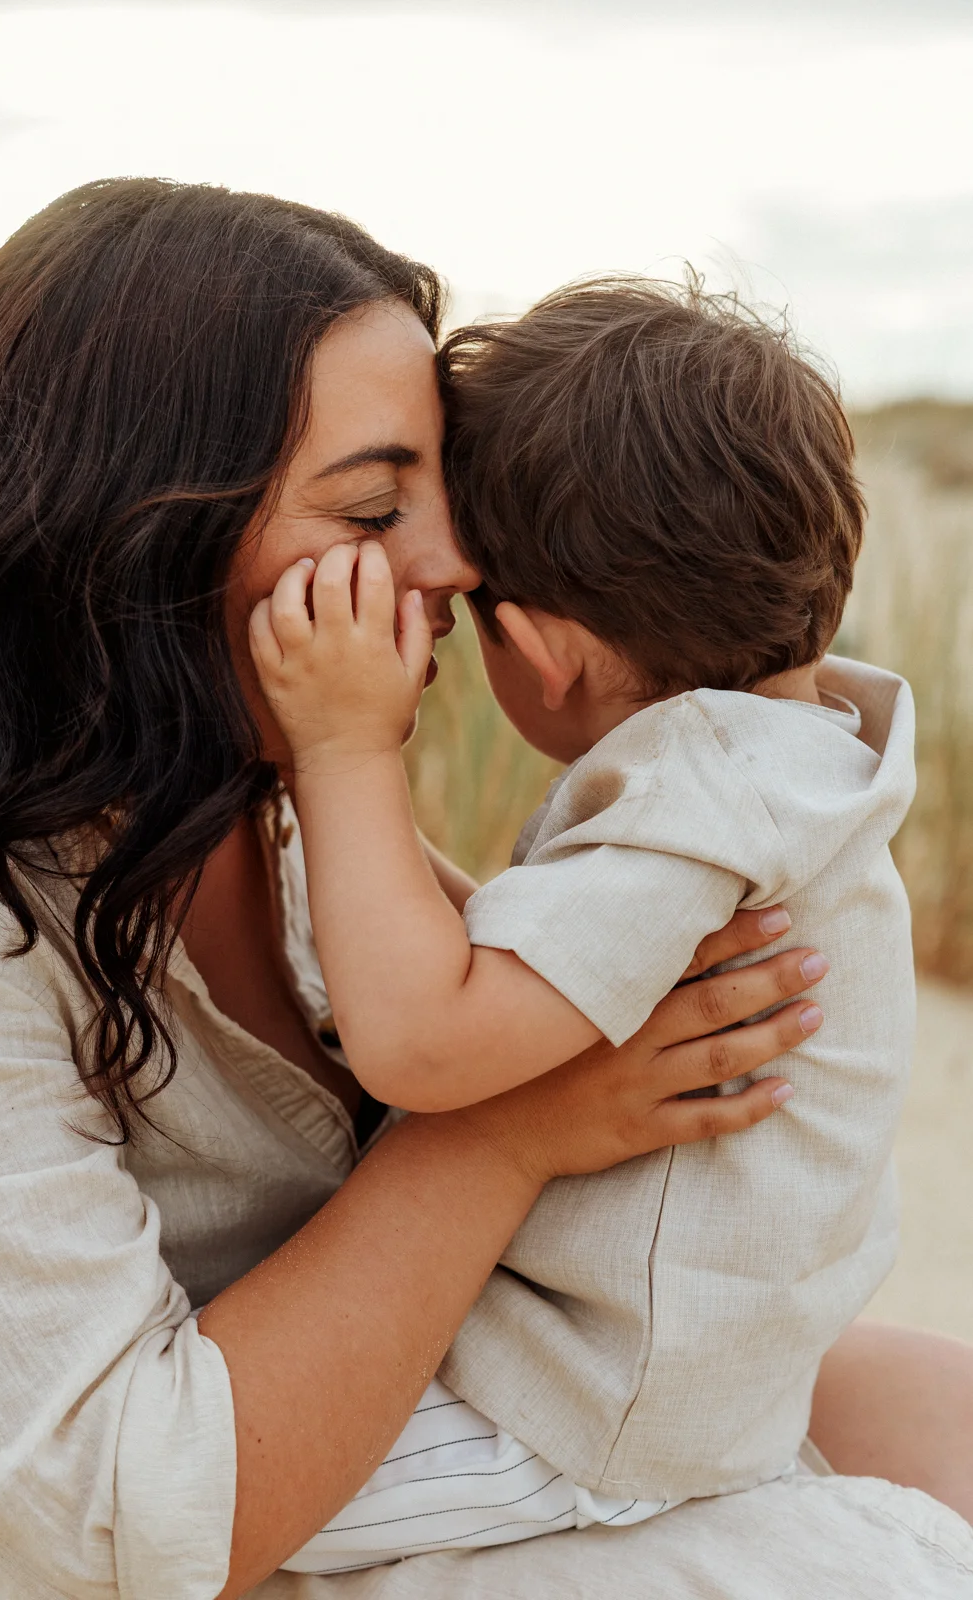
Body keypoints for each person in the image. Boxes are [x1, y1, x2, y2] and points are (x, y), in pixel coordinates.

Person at [0, 178, 969, 1600]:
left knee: (939, 1415)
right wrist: (504, 1137)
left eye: (444, 500)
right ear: (131, 531)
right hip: (123, 1533)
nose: (453, 565)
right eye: (370, 505)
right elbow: (106, 1515)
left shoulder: (262, 801)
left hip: (421, 1405)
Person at [250, 279, 914, 1571]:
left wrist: (341, 756)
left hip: (578, 1418)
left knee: (145, 1517)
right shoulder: (778, 758)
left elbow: (420, 1047)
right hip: (669, 1384)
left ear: (542, 653)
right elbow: (510, 955)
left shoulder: (699, 799)